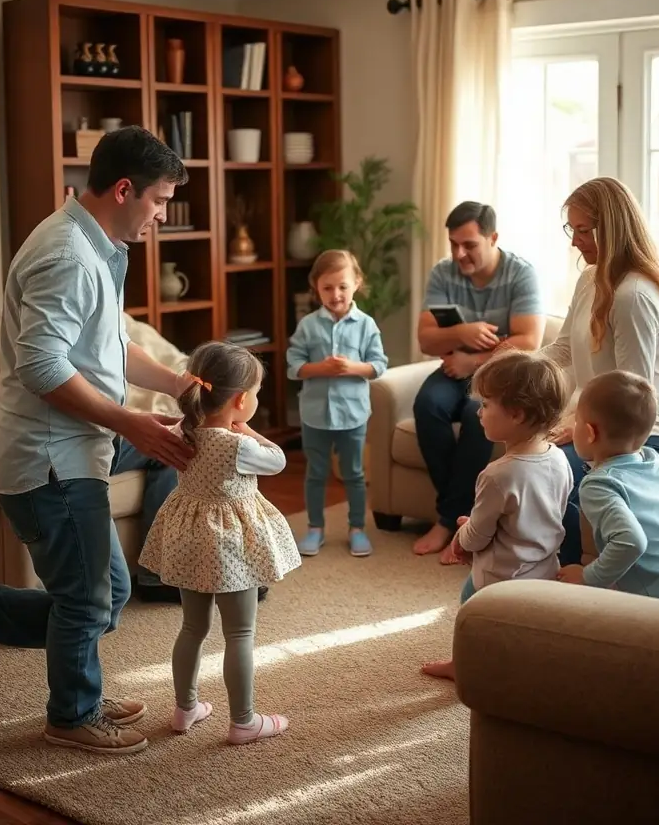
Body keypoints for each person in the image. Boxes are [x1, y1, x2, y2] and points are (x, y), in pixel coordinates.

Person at [0, 127, 198, 755]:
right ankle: (71, 713)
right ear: (125, 189)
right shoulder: (67, 255)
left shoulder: (98, 244)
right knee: (85, 598)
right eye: (159, 202)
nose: (162, 216)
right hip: (51, 461)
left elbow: (108, 346)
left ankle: (15, 634)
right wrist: (129, 421)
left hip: (75, 450)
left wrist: (179, 382)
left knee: (108, 591)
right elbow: (43, 367)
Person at [139, 342, 300, 744]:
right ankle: (243, 721)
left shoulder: (183, 431)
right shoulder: (240, 446)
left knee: (192, 626)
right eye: (257, 395)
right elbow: (278, 459)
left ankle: (184, 707)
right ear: (241, 400)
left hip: (189, 538)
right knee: (240, 634)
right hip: (231, 547)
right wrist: (246, 429)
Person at [540, 178, 659, 566]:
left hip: (651, 436)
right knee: (537, 465)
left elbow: (632, 394)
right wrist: (513, 366)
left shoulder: (634, 296)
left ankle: (570, 585)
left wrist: (576, 421)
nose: (574, 241)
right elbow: (561, 350)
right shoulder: (590, 278)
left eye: (583, 230)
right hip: (601, 425)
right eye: (570, 229)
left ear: (612, 228)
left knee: (559, 481)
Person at [421, 350, 573, 680]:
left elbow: (477, 536)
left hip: (501, 576)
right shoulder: (559, 459)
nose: (478, 412)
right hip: (545, 567)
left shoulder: (497, 475)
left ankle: (463, 665)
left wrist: (462, 533)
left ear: (516, 414)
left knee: (471, 610)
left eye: (486, 405)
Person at [412, 201, 544, 562]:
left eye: (469, 245)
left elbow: (528, 341)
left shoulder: (520, 274)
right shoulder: (443, 273)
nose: (459, 253)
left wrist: (475, 359)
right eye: (454, 244)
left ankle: (447, 521)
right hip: (454, 367)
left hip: (500, 375)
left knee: (477, 414)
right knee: (427, 405)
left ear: (493, 238)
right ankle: (457, 517)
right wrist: (463, 331)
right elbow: (426, 339)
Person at [557, 371, 659, 598]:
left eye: (576, 421)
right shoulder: (652, 461)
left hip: (658, 602)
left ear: (589, 433)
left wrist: (588, 577)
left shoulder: (599, 484)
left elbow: (631, 541)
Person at [286, 250, 387, 557]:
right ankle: (315, 528)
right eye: (327, 287)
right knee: (316, 473)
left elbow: (379, 364)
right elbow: (294, 365)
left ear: (356, 283)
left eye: (342, 286)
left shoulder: (366, 325)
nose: (336, 294)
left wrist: (352, 368)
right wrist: (321, 369)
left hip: (353, 413)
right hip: (315, 413)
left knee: (354, 473)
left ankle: (357, 528)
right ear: (316, 287)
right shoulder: (308, 326)